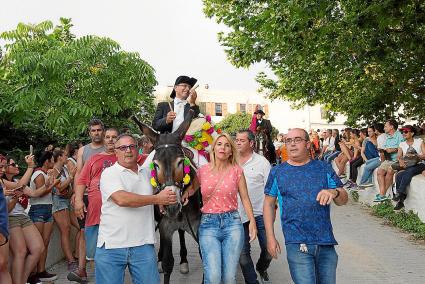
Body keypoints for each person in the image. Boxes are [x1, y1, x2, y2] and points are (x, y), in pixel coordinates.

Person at [263, 128, 348, 284]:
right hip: (297, 242)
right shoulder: (277, 172)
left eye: (297, 140)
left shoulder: (323, 168)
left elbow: (343, 199)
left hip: (325, 242)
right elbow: (268, 204)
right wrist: (270, 237)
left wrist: (334, 192)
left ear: (308, 144)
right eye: (288, 141)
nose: (292, 144)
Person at [95, 134, 177, 283]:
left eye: (132, 146)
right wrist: (156, 199)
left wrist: (162, 198)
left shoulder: (147, 173)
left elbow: (162, 185)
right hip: (112, 246)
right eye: (123, 147)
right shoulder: (109, 173)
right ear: (116, 152)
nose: (128, 150)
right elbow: (122, 199)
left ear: (138, 149)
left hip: (143, 245)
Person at [151, 75, 200, 273]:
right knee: (147, 170)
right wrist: (165, 120)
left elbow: (201, 125)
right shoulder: (164, 105)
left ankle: (205, 205)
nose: (186, 89)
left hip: (186, 145)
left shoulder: (193, 107)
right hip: (165, 146)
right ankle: (154, 208)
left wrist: (193, 106)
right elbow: (156, 125)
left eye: (189, 87)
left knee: (205, 168)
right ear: (176, 88)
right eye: (183, 86)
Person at [194, 133, 257, 283]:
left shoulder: (237, 171)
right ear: (214, 148)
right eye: (220, 144)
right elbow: (189, 191)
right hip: (208, 224)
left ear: (231, 151)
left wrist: (252, 223)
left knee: (229, 277)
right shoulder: (202, 171)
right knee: (213, 276)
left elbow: (245, 198)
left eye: (227, 145)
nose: (223, 147)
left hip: (232, 224)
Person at [72, 128, 119, 283]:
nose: (111, 140)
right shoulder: (93, 159)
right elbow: (81, 180)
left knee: (115, 252)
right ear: (104, 140)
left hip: (118, 215)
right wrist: (78, 200)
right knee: (94, 252)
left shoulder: (126, 158)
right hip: (95, 213)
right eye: (108, 137)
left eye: (114, 137)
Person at [235, 130, 272, 284]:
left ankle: (261, 267)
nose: (237, 143)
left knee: (268, 250)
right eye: (236, 140)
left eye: (241, 140)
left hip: (260, 214)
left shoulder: (262, 162)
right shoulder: (230, 161)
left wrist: (271, 215)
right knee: (243, 256)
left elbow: (270, 192)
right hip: (238, 216)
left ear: (251, 143)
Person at [70, 118, 105, 281]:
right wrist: (77, 195)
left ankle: (104, 269)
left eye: (99, 130)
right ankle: (81, 269)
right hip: (86, 196)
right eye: (93, 130)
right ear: (89, 133)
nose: (96, 133)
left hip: (107, 197)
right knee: (84, 232)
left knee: (106, 232)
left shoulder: (110, 147)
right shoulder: (83, 150)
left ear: (103, 131)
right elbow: (78, 173)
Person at [4, 156, 45, 284]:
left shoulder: (17, 180)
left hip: (23, 216)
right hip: (10, 217)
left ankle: (22, 280)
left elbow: (34, 193)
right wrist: (30, 167)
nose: (16, 166)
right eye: (13, 164)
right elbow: (20, 186)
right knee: (20, 252)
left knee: (38, 248)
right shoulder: (3, 182)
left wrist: (50, 184)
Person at [28, 151, 59, 282]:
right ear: (47, 161)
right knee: (37, 243)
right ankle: (32, 273)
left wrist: (53, 182)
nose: (54, 162)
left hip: (47, 208)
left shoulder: (46, 173)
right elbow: (40, 193)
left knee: (45, 243)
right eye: (52, 160)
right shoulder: (39, 174)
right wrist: (53, 183)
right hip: (38, 209)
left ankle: (41, 270)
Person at [50, 149, 78, 272]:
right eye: (65, 155)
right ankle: (70, 260)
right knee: (65, 230)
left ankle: (77, 254)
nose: (67, 157)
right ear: (60, 157)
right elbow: (59, 188)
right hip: (58, 202)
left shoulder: (65, 169)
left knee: (79, 226)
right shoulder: (52, 171)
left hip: (67, 201)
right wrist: (71, 176)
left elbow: (68, 188)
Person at [392, 125, 425, 210]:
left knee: (409, 171)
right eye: (403, 132)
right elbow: (399, 156)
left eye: (406, 132)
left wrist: (416, 156)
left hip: (419, 164)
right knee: (399, 176)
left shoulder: (419, 141)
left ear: (412, 133)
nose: (404, 133)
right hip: (407, 165)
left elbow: (424, 155)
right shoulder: (401, 144)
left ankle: (399, 193)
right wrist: (401, 161)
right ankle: (401, 202)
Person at [374, 119, 403, 202]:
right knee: (379, 172)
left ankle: (382, 194)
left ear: (391, 127)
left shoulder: (399, 135)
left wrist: (393, 149)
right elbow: (386, 148)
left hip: (398, 160)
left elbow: (403, 146)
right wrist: (383, 150)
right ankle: (382, 194)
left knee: (390, 171)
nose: (384, 128)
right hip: (389, 159)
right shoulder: (387, 137)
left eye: (386, 126)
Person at [358, 124, 385, 188]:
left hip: (379, 157)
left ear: (375, 131)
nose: (368, 133)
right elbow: (362, 152)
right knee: (369, 144)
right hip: (371, 157)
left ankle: (363, 183)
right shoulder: (367, 139)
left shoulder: (379, 138)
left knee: (367, 167)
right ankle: (366, 182)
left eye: (370, 131)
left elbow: (381, 151)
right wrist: (367, 160)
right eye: (368, 131)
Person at [0, 155, 12, 284]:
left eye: (4, 166)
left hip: (3, 228)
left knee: (3, 265)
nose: (3, 170)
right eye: (0, 167)